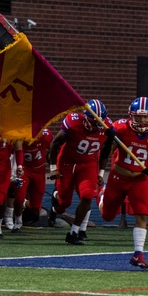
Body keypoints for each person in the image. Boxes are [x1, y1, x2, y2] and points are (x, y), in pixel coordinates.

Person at [99, 97, 148, 269]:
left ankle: (138, 254)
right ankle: (102, 195)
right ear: (131, 116)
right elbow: (106, 155)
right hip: (118, 177)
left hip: (139, 179)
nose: (142, 120)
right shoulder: (121, 128)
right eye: (138, 117)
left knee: (141, 214)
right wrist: (109, 140)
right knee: (107, 217)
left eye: (146, 117)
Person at [48, 99, 113, 242]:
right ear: (86, 118)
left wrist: (101, 173)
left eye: (99, 121)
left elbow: (106, 151)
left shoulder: (107, 126)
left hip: (87, 164)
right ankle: (56, 200)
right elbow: (54, 145)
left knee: (88, 195)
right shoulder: (74, 122)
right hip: (67, 163)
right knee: (63, 204)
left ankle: (74, 232)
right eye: (94, 121)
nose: (97, 125)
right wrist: (53, 168)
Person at [15, 126, 54, 228]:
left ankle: (23, 205)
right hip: (25, 169)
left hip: (39, 170)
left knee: (36, 207)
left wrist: (54, 166)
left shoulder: (45, 135)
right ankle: (18, 221)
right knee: (19, 197)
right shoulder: (19, 137)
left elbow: (54, 149)